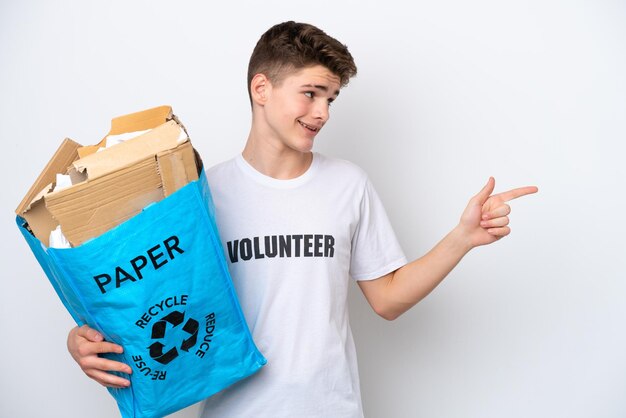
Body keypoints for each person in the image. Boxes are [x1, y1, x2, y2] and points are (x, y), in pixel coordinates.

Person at [67, 21, 538, 417]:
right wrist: (82, 339)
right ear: (261, 88)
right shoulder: (201, 197)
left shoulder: (348, 185)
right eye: (310, 93)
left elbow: (388, 300)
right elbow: (151, 299)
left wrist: (462, 237)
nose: (322, 113)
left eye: (331, 98)